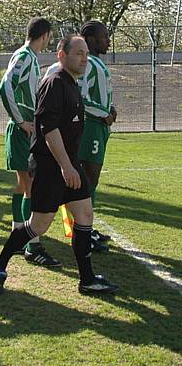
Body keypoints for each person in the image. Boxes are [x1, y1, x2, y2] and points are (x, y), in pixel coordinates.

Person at [0, 35, 119, 296]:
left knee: (85, 215)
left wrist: (71, 165)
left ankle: (87, 279)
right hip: (52, 167)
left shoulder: (72, 82)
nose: (84, 58)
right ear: (62, 55)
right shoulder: (54, 83)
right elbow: (49, 130)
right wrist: (65, 167)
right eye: (78, 53)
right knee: (38, 226)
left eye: (85, 54)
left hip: (69, 163)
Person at [0, 17, 61, 267]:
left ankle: (19, 234)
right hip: (22, 130)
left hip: (25, 130)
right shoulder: (24, 56)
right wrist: (21, 120)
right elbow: (6, 86)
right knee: (31, 187)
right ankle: (31, 246)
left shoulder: (30, 58)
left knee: (23, 185)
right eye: (50, 37)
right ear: (45, 35)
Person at [77, 21, 116, 250]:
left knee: (93, 179)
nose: (108, 40)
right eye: (104, 37)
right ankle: (84, 232)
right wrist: (103, 113)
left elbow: (99, 95)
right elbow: (79, 96)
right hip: (90, 126)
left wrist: (111, 108)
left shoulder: (97, 62)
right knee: (88, 179)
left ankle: (87, 228)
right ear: (91, 40)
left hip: (100, 126)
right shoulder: (88, 63)